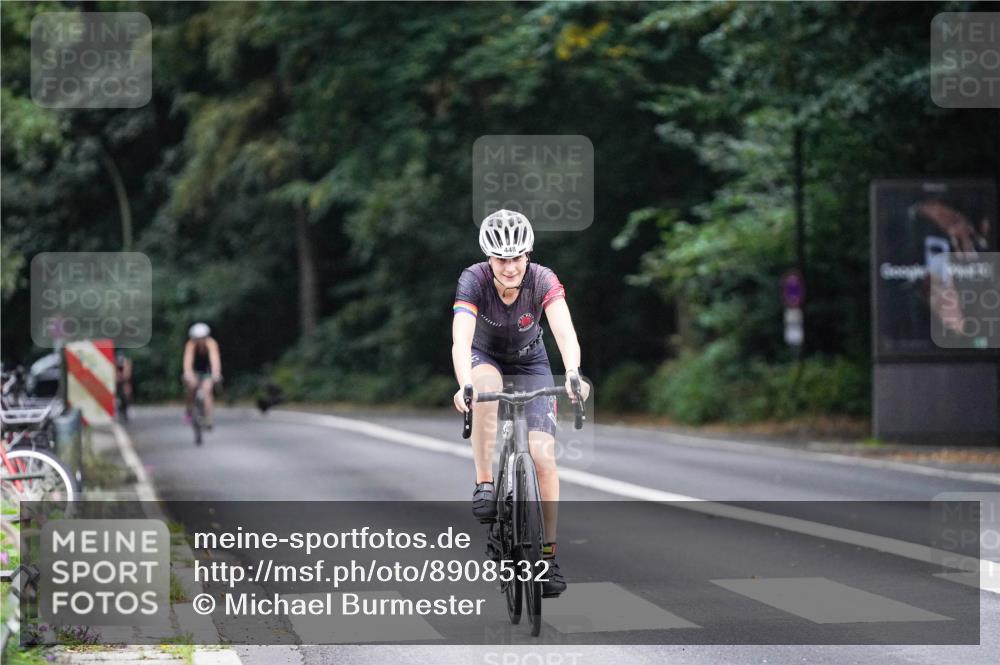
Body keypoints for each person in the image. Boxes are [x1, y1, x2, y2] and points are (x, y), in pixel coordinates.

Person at [451, 209, 590, 598]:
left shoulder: (542, 279)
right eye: (501, 258)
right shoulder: (473, 280)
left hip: (532, 360)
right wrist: (464, 384)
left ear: (527, 255)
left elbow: (564, 331)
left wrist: (574, 372)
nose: (510, 267)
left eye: (516, 258)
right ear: (488, 258)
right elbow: (461, 339)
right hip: (485, 357)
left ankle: (547, 557)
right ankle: (484, 483)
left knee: (544, 456)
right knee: (484, 385)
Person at [182, 323, 222, 429]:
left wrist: (216, 373)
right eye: (197, 338)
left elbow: (215, 360)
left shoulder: (211, 343)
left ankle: (208, 417)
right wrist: (188, 373)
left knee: (207, 390)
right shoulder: (190, 345)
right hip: (195, 369)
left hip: (207, 370)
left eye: (203, 338)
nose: (200, 340)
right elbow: (188, 361)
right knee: (191, 387)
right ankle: (189, 411)